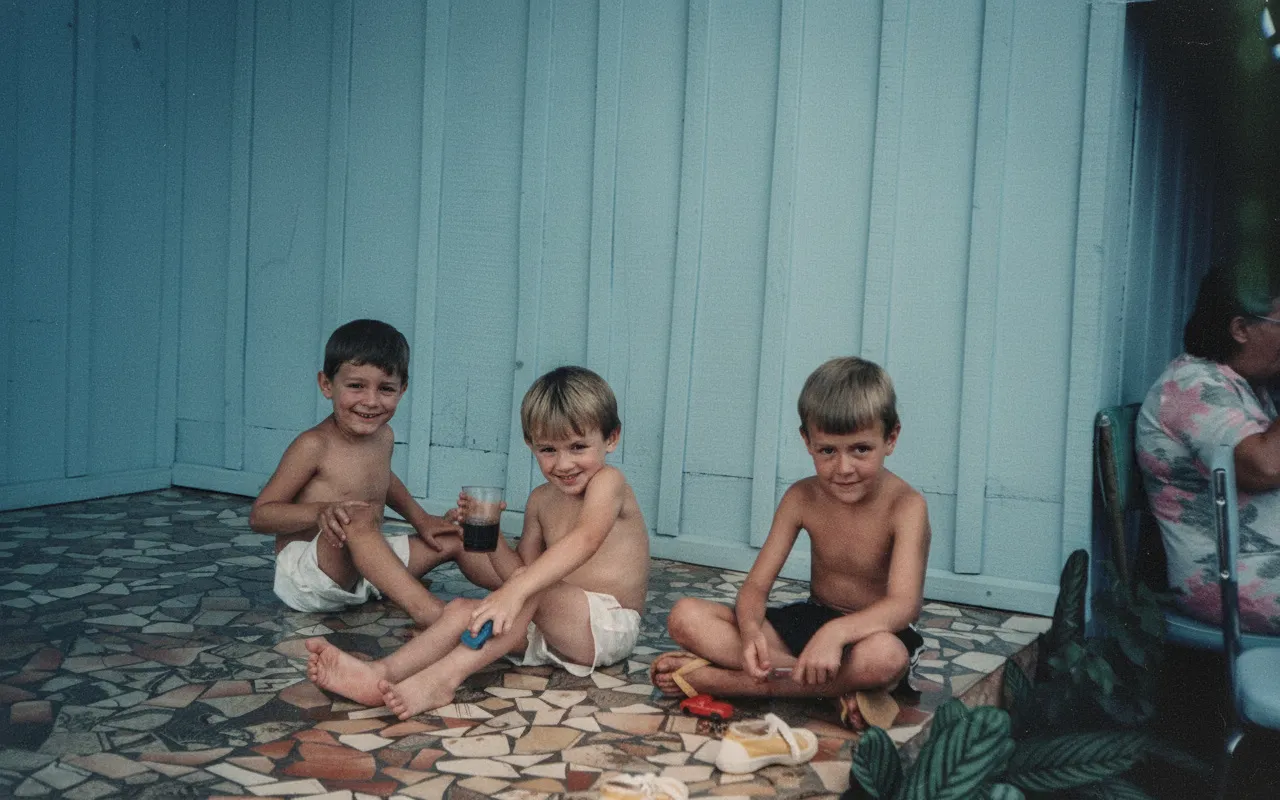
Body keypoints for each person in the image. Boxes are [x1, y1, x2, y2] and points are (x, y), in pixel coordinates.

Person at [304, 365, 650, 718]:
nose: (563, 463)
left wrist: (515, 592)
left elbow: (586, 539)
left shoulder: (610, 482)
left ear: (611, 438)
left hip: (608, 627)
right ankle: (380, 673)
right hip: (555, 627)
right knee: (461, 612)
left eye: (578, 447)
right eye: (548, 449)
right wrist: (494, 539)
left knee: (526, 589)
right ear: (530, 444)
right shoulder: (541, 500)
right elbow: (518, 571)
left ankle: (443, 679)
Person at [650, 356, 930, 730]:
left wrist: (837, 633)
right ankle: (835, 689)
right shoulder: (801, 497)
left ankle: (736, 684)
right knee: (685, 616)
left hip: (874, 632)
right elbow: (755, 587)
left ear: (890, 438)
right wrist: (750, 634)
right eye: (827, 450)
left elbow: (903, 604)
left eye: (860, 449)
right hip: (812, 620)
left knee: (884, 658)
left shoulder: (906, 506)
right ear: (807, 441)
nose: (843, 468)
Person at [250, 319, 502, 627]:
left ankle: (523, 595)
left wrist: (421, 519)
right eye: (356, 386)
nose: (371, 401)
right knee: (355, 516)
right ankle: (429, 612)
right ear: (327, 384)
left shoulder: (384, 436)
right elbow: (261, 516)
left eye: (386, 389)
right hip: (312, 576)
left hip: (364, 571)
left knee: (456, 538)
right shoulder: (313, 445)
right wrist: (321, 512)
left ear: (403, 389)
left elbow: (383, 479)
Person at [1137, 265, 1280, 635]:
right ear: (1240, 329)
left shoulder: (1246, 385)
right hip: (1234, 578)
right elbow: (1263, 467)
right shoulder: (1194, 385)